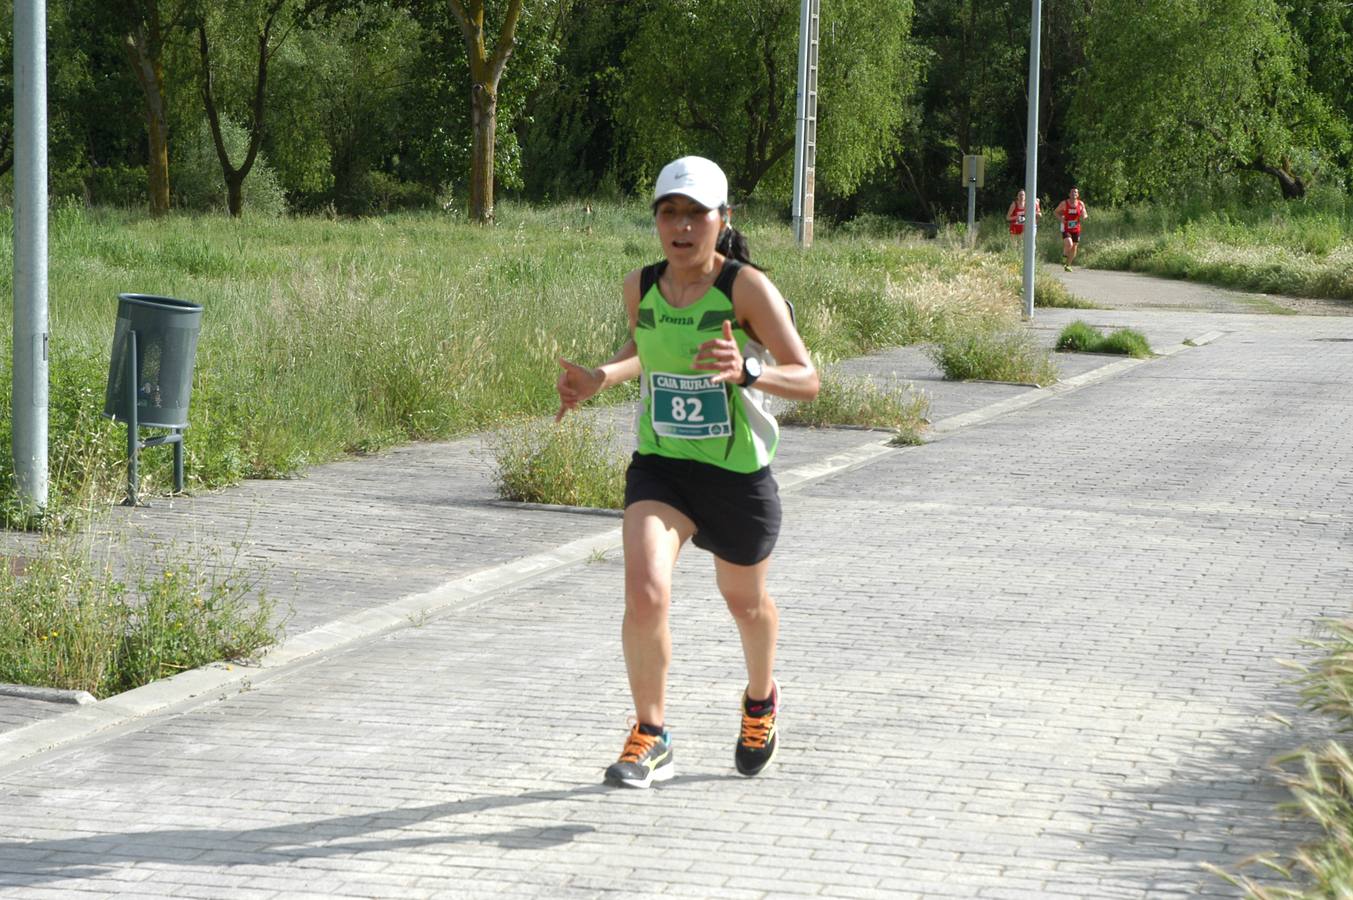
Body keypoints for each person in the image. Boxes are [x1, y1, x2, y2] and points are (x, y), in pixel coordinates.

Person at [554, 156, 819, 788]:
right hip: (663, 468)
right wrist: (600, 378)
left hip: (736, 477)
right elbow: (644, 349)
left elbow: (808, 380)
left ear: (722, 220)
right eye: (668, 212)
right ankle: (651, 733)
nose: (681, 226)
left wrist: (750, 371)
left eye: (696, 213)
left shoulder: (746, 288)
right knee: (646, 591)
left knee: (745, 603)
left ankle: (761, 701)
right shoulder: (639, 284)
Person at [1054, 186, 1087, 271]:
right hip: (1066, 227)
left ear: (1078, 194)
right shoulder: (1064, 203)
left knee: (1074, 247)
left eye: (1075, 192)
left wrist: (1084, 216)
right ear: (1069, 194)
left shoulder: (1081, 204)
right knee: (1069, 243)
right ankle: (1064, 256)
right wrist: (1061, 219)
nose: (1074, 194)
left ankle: (1068, 265)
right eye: (1072, 192)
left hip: (1076, 228)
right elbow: (1056, 212)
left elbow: (1085, 214)